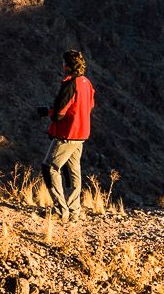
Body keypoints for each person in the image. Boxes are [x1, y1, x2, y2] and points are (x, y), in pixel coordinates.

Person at [40, 49, 95, 220]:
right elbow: (89, 106)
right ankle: (74, 210)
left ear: (68, 66)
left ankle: (60, 210)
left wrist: (47, 112)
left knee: (49, 168)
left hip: (68, 133)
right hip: (81, 134)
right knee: (73, 171)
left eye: (63, 62)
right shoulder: (86, 82)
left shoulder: (70, 84)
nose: (62, 65)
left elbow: (59, 113)